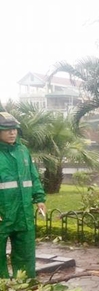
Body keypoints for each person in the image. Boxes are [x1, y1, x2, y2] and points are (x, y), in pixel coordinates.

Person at [0, 112, 46, 279]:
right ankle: (3, 289)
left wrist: (39, 198)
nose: (12, 133)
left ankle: (25, 286)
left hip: (23, 212)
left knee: (25, 252)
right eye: (7, 130)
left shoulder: (23, 151)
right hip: (3, 213)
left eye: (14, 129)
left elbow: (33, 177)